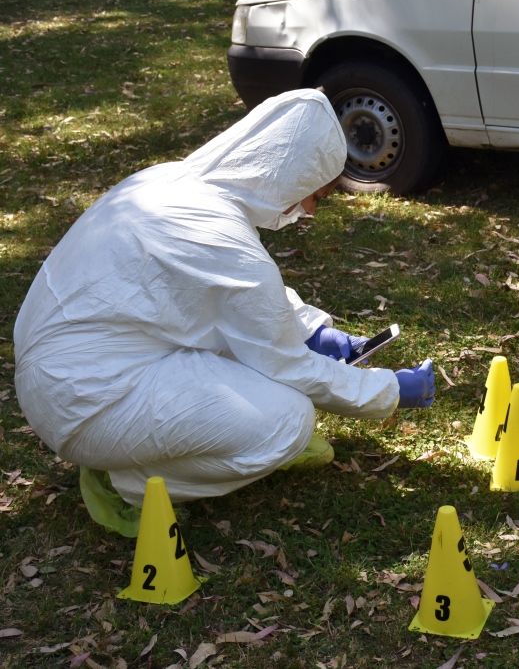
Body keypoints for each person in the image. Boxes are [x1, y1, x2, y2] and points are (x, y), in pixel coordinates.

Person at [13, 89, 435, 537]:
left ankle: (125, 451)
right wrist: (388, 389)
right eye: (316, 194)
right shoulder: (218, 236)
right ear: (288, 174)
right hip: (87, 403)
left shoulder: (167, 182)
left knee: (252, 368)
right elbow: (283, 360)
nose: (309, 210)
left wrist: (310, 329)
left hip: (71, 378)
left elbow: (221, 291)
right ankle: (129, 480)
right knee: (289, 420)